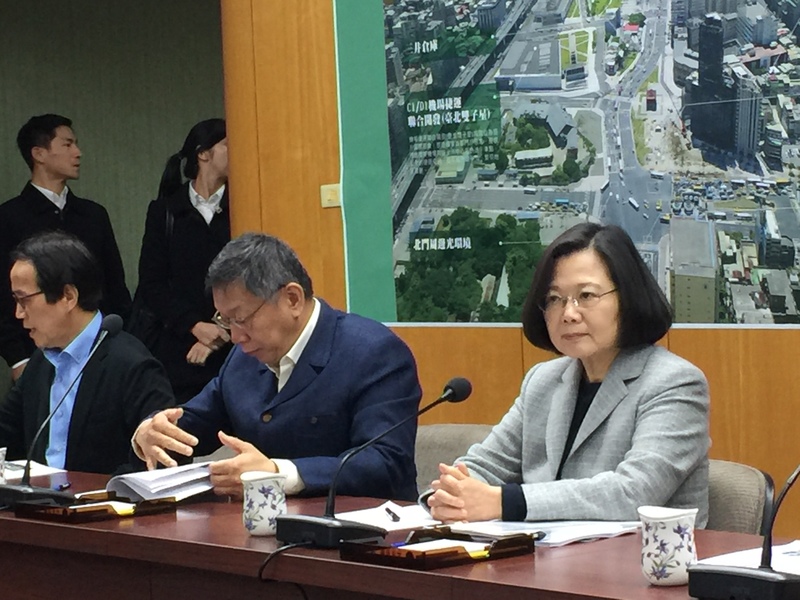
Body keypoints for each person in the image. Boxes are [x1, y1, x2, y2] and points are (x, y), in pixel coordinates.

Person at [426, 223, 710, 526]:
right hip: (541, 551)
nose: (568, 313)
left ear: (627, 299)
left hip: (640, 553)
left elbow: (634, 492)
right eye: (554, 299)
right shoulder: (543, 381)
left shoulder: (674, 382)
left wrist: (505, 502)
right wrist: (450, 495)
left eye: (586, 295)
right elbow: (486, 464)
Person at [134, 233, 422, 500]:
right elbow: (193, 424)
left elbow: (385, 462)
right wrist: (153, 430)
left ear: (292, 299)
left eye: (241, 319)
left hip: (360, 529)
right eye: (225, 321)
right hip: (260, 529)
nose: (235, 336)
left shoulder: (374, 353)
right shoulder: (242, 359)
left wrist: (276, 474)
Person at [0, 232, 175, 475]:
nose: (18, 313)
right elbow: (6, 431)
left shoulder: (133, 365)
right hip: (40, 497)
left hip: (103, 498)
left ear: (68, 296)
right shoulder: (42, 361)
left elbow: (166, 458)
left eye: (24, 300)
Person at [0, 114, 131, 382]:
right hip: (35, 354)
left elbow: (115, 286)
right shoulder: (9, 217)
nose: (78, 152)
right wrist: (17, 358)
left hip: (100, 351)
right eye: (68, 144)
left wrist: (122, 341)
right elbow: (3, 295)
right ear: (39, 154)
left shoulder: (93, 215)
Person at [136, 118, 231, 403]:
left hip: (237, 344)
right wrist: (195, 326)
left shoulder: (245, 204)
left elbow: (256, 277)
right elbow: (152, 283)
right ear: (203, 153)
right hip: (179, 347)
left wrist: (220, 330)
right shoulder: (165, 211)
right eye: (227, 145)